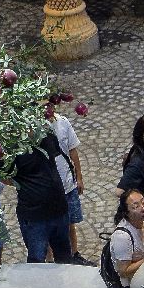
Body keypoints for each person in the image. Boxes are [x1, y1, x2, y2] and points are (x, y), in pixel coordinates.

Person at [9, 128, 75, 265]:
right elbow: (5, 177)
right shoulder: (11, 149)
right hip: (34, 215)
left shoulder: (47, 135)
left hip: (58, 209)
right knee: (37, 261)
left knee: (64, 257)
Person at [48, 107, 89, 264]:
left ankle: (74, 254)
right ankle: (50, 260)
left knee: (71, 222)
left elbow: (73, 150)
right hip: (49, 189)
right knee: (49, 225)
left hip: (68, 183)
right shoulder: (35, 128)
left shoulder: (63, 122)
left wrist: (79, 177)